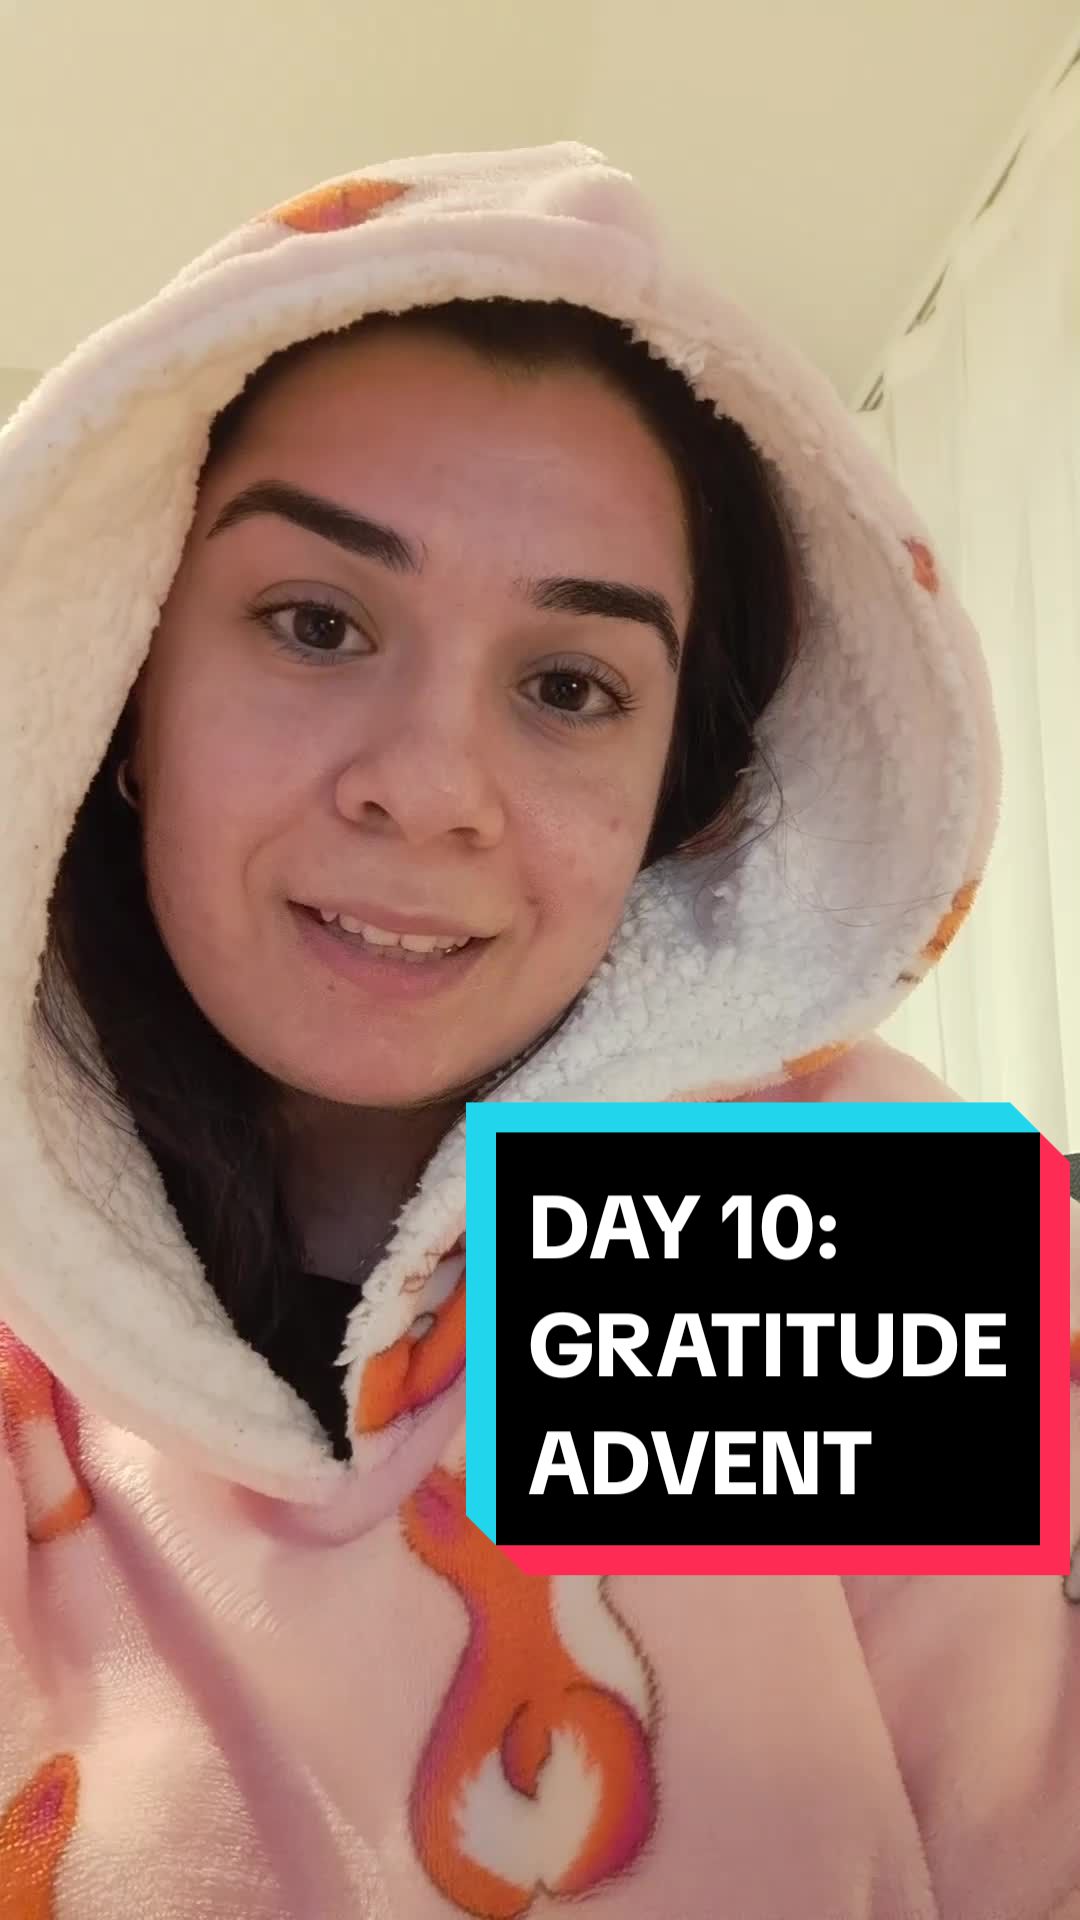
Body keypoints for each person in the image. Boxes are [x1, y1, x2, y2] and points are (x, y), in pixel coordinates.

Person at [0, 142, 1073, 1919]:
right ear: (128, 687)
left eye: (570, 686)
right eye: (315, 623)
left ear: (671, 795)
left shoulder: (824, 1221)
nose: (431, 788)